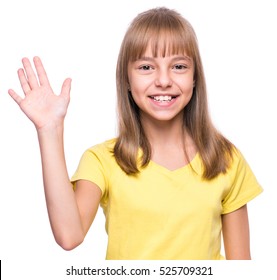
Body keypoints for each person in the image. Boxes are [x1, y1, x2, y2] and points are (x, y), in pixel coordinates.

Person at [8, 7, 262, 260]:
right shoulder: (102, 160)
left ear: (195, 78)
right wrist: (50, 131)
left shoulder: (225, 158)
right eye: (146, 67)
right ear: (126, 80)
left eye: (179, 66)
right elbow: (69, 236)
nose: (163, 80)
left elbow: (240, 269)